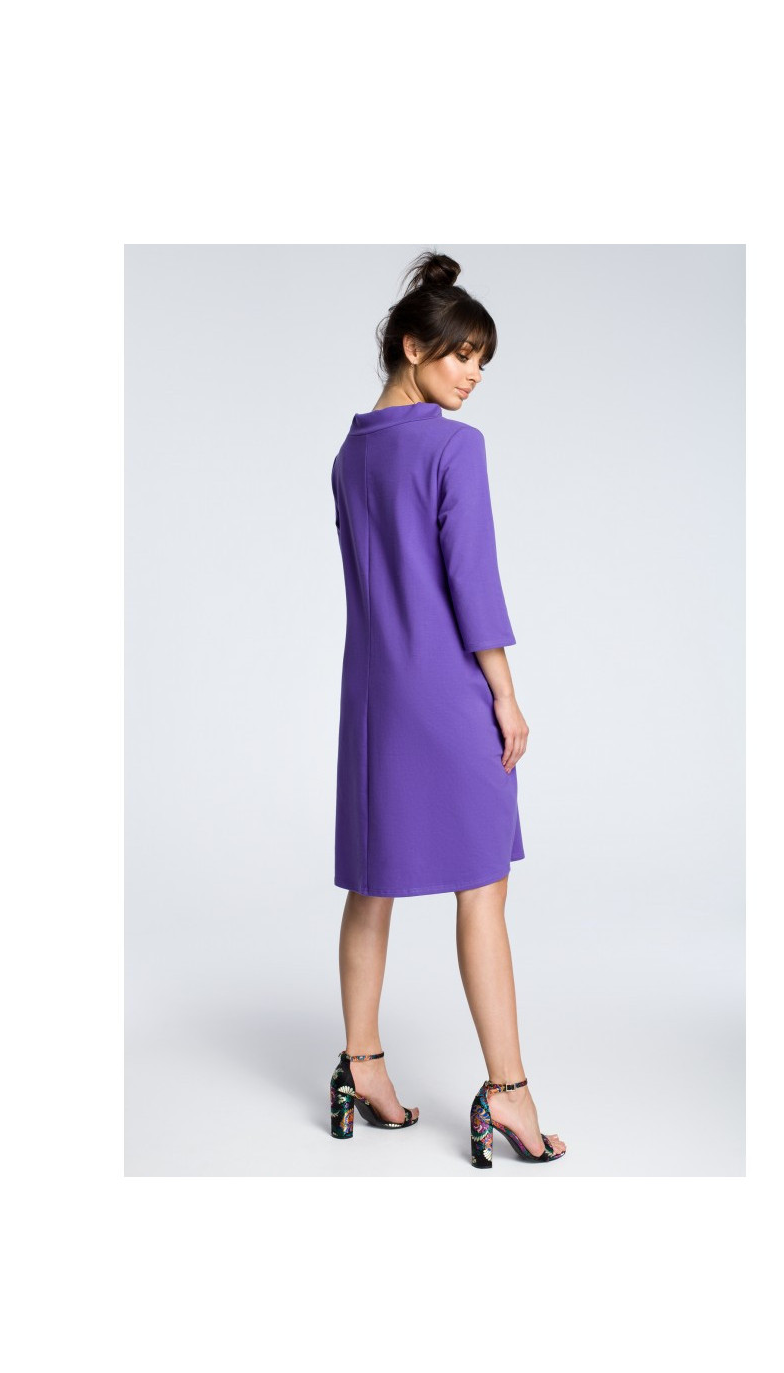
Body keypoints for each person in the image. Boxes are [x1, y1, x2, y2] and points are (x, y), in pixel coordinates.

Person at [328, 250, 566, 1168]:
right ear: (412, 347)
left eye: (481, 360)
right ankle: (507, 1090)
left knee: (373, 882)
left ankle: (362, 1068)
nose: (472, 375)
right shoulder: (453, 448)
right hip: (446, 694)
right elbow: (473, 582)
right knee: (482, 887)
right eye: (462, 355)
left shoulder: (350, 455)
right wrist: (505, 695)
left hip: (372, 697)